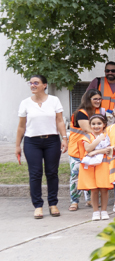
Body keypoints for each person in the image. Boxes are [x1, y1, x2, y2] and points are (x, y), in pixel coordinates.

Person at [17, 75, 67, 219]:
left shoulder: (54, 100)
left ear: (44, 85)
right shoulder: (25, 103)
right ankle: (38, 206)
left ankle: (53, 204)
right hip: (32, 142)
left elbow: (60, 121)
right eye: (31, 83)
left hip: (52, 140)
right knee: (35, 174)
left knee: (52, 172)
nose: (33, 85)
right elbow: (21, 126)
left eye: (36, 83)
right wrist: (17, 146)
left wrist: (64, 138)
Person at [68, 89, 102, 212]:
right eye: (95, 99)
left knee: (89, 174)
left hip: (89, 149)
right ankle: (74, 201)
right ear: (88, 100)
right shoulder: (81, 113)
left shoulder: (96, 112)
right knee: (76, 176)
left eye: (99, 98)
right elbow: (88, 130)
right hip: (77, 150)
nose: (98, 101)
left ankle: (89, 199)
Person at [79, 114, 112, 221]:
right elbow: (88, 149)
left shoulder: (109, 136)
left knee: (104, 188)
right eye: (93, 124)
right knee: (93, 189)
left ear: (104, 125)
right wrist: (99, 140)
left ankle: (104, 210)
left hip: (104, 164)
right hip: (91, 166)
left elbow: (109, 150)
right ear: (90, 125)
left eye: (99, 123)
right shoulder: (87, 136)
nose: (96, 126)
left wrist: (97, 151)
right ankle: (95, 211)